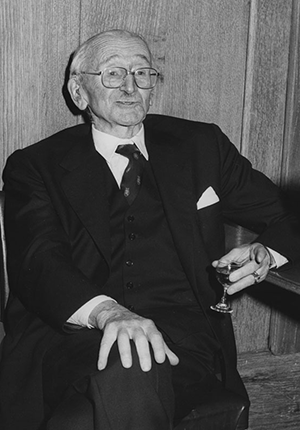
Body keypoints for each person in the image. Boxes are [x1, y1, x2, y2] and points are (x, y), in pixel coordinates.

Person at [0, 29, 299, 430]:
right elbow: (39, 261)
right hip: (73, 338)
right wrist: (108, 312)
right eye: (113, 74)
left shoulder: (201, 145)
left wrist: (267, 253)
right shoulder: (36, 165)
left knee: (103, 397)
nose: (130, 86)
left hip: (184, 343)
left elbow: (287, 214)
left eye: (143, 73)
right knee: (115, 379)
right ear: (79, 91)